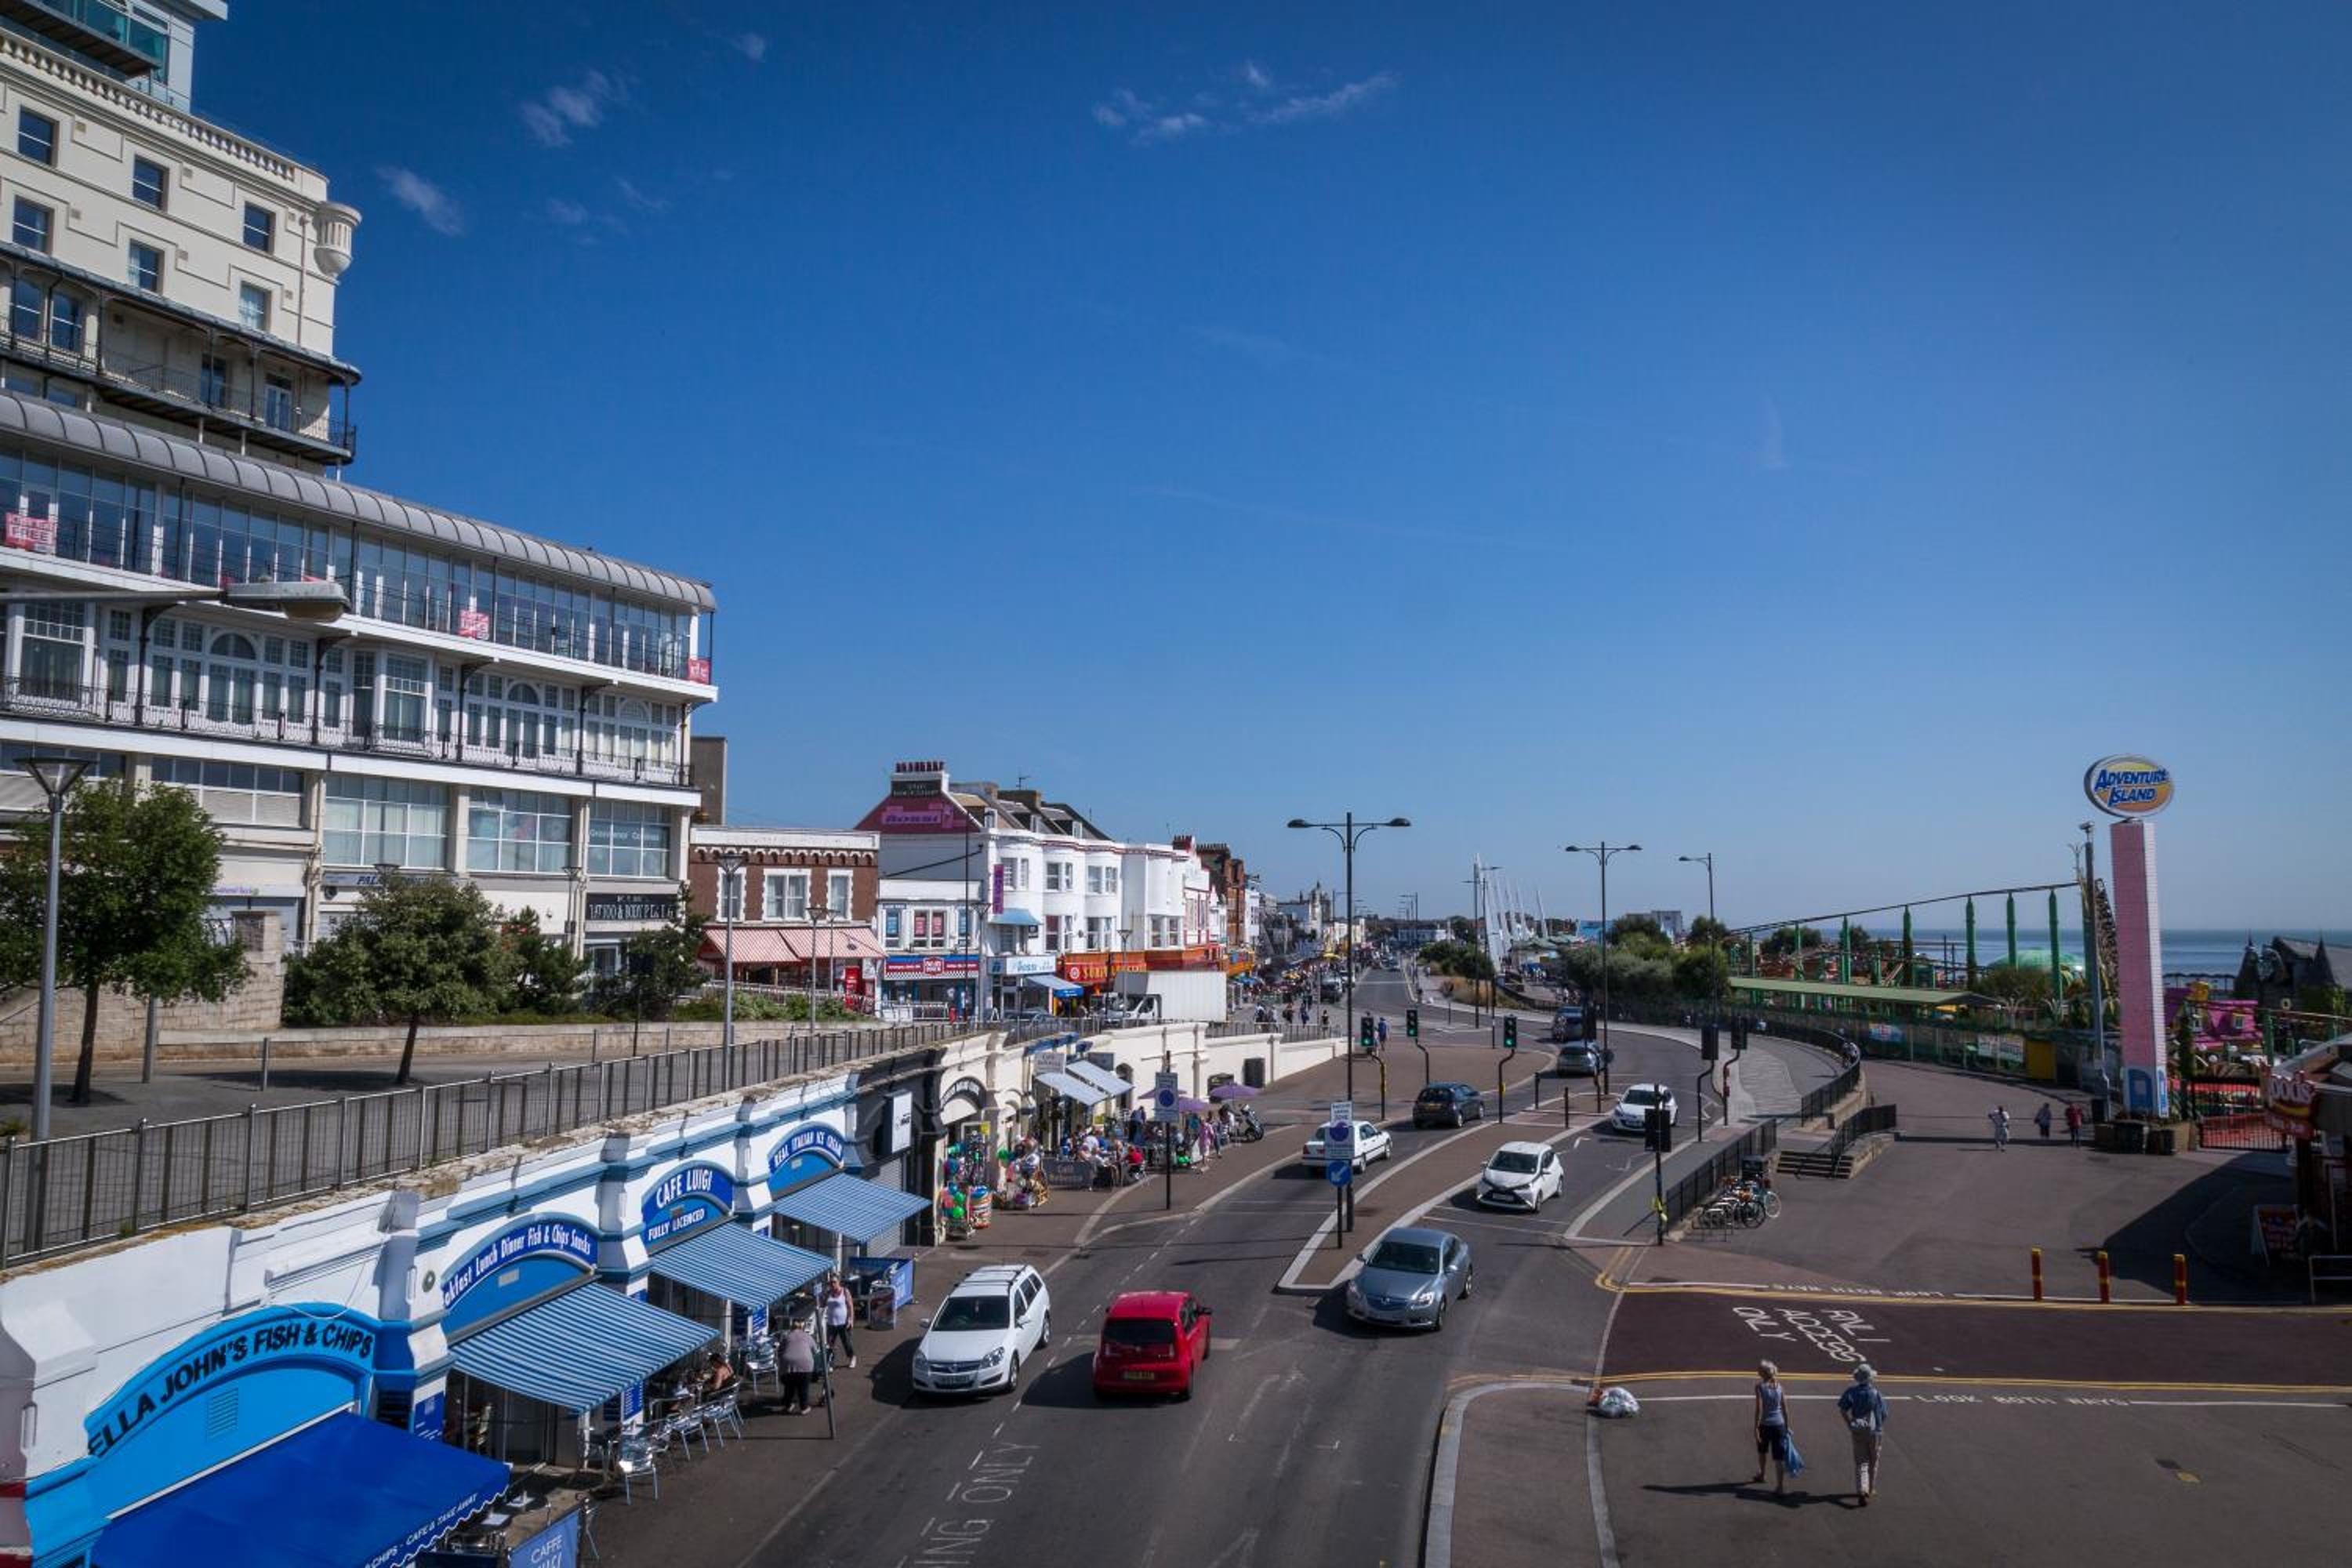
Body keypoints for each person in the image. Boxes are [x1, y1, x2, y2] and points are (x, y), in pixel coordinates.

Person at [1837, 1363, 1888, 1505]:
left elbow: (1842, 1409)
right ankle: (1870, 1489)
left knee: (1861, 1462)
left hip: (1858, 1430)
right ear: (1870, 1378)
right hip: (1875, 1432)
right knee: (1873, 1461)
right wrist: (1878, 1425)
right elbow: (1884, 1414)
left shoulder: (1851, 1392)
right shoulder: (1876, 1394)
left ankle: (1862, 1489)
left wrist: (1850, 1425)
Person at [1753, 1360, 1791, 1494]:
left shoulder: (1759, 1387)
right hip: (1779, 1425)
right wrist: (1787, 1426)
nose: (1757, 1371)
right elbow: (1785, 1409)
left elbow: (1759, 1409)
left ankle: (1762, 1474)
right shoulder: (1780, 1387)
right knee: (1779, 1458)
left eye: (1759, 1370)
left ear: (1764, 1373)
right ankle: (1780, 1487)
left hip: (1765, 1425)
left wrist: (1756, 1427)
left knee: (1762, 1451)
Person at [779, 1321, 818, 1414]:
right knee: (803, 1387)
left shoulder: (787, 1337)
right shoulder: (808, 1336)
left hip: (788, 1364)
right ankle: (804, 1407)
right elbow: (815, 1351)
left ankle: (788, 1405)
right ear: (802, 1328)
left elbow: (780, 1351)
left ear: (791, 1328)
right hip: (805, 1364)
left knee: (789, 1387)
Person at [822, 1273, 857, 1370]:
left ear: (839, 1282)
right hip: (831, 1323)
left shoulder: (845, 1291)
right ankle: (831, 1362)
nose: (832, 1284)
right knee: (830, 1344)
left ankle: (852, 1357)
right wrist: (823, 1295)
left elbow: (850, 1306)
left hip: (843, 1323)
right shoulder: (828, 1293)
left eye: (834, 1282)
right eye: (831, 1283)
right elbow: (823, 1304)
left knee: (847, 1343)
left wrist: (851, 1319)